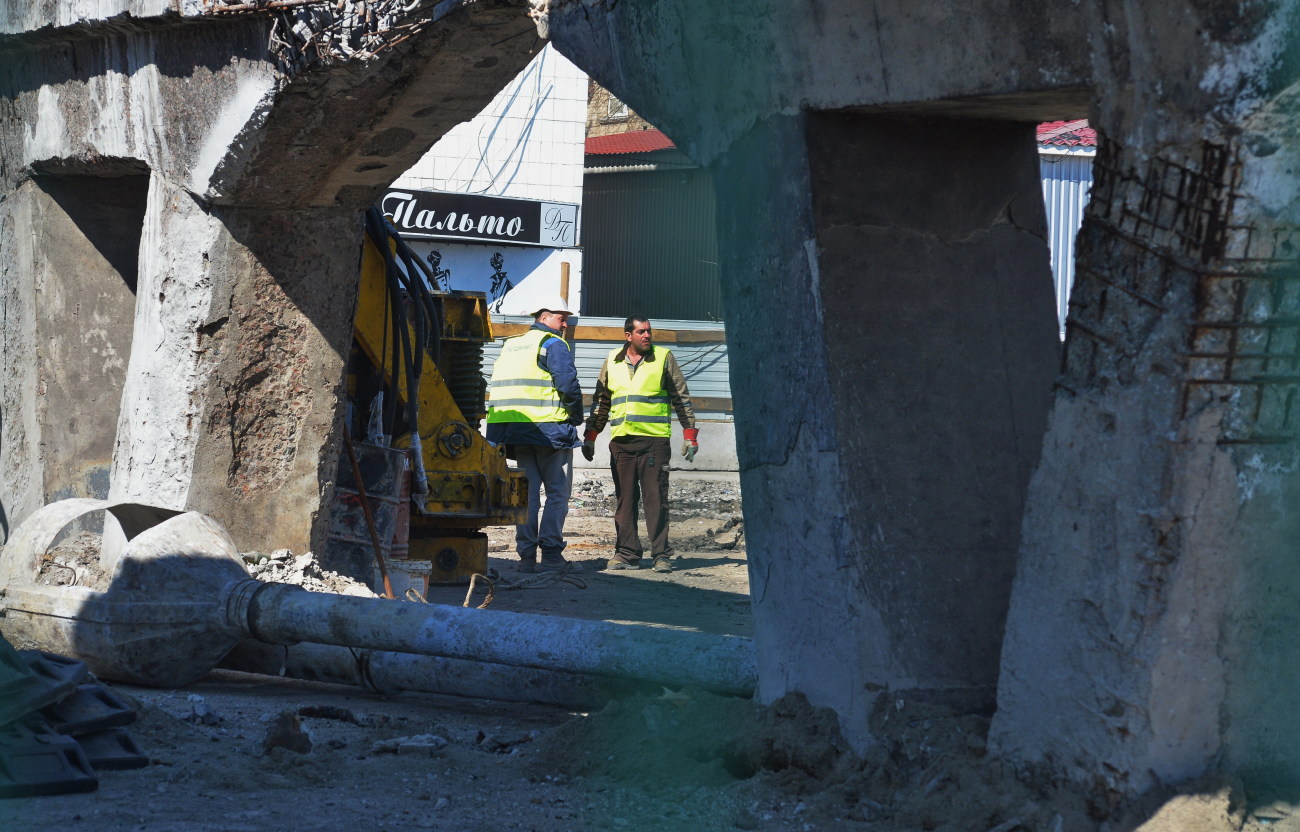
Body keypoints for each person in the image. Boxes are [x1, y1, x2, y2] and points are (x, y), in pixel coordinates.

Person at [582, 316, 699, 573]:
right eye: (641, 332)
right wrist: (591, 437)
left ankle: (661, 555)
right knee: (625, 500)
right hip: (622, 443)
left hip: (653, 442)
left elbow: (681, 397)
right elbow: (601, 402)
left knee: (656, 499)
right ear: (628, 336)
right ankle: (627, 554)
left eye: (649, 332)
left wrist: (690, 435)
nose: (647, 336)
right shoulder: (612, 360)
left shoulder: (664, 358)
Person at [486, 297, 583, 573]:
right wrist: (575, 417)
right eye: (561, 318)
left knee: (527, 496)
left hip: (515, 430)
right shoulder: (553, 344)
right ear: (544, 317)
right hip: (549, 430)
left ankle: (526, 557)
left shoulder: (512, 344)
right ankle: (551, 553)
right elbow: (567, 383)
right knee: (557, 493)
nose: (565, 324)